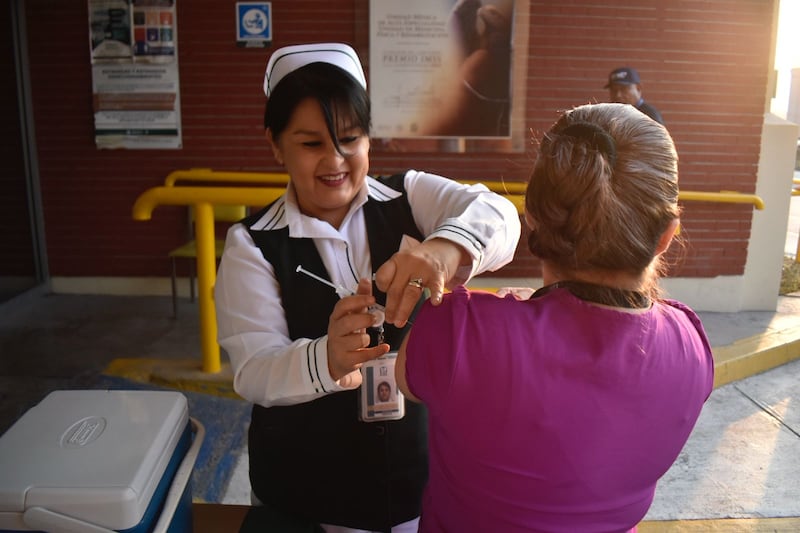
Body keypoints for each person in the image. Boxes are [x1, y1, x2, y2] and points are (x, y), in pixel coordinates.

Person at [214, 42, 521, 532]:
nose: (335, 161)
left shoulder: (410, 197)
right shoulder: (252, 245)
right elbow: (253, 369)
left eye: (350, 139)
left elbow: (500, 214)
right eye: (311, 143)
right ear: (276, 145)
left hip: (413, 485)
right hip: (302, 499)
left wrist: (444, 250)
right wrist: (327, 360)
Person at [395, 102, 714, 532]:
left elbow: (406, 377)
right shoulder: (692, 347)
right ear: (665, 236)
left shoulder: (461, 333)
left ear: (536, 219)